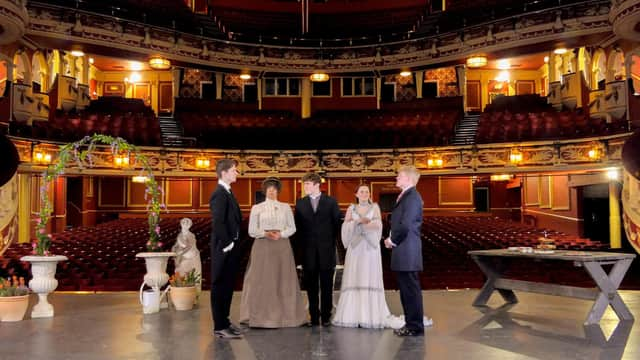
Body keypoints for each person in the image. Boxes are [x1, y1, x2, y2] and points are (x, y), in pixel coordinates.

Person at [333, 184, 404, 329]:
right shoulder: (351, 208)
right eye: (362, 191)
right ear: (356, 194)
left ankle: (370, 315)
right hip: (355, 248)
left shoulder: (375, 207)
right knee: (355, 276)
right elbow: (345, 226)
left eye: (367, 191)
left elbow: (378, 225)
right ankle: (353, 316)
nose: (364, 193)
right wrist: (358, 222)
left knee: (368, 275)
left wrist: (362, 227)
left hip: (370, 248)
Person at [239, 177, 307, 328]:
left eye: (274, 189)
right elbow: (251, 231)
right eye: (269, 188)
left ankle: (286, 317)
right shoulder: (256, 208)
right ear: (265, 191)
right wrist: (265, 233)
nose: (272, 191)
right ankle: (261, 318)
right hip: (262, 246)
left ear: (278, 191)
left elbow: (292, 228)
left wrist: (281, 234)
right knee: (262, 281)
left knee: (283, 280)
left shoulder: (285, 207)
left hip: (282, 246)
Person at [384, 165, 428, 336]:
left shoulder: (412, 197)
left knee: (410, 291)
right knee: (406, 291)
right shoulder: (406, 196)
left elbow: (406, 225)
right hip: (404, 251)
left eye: (399, 176)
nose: (396, 178)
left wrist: (392, 240)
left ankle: (415, 327)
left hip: (407, 250)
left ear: (408, 179)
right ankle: (411, 324)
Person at [294, 172, 341, 327]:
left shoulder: (331, 202)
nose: (304, 187)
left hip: (327, 250)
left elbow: (336, 225)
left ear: (316, 184)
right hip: (308, 252)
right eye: (304, 184)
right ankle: (314, 317)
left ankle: (326, 316)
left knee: (327, 285)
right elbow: (298, 229)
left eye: (307, 184)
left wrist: (328, 242)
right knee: (311, 286)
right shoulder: (300, 203)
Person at [210, 159, 244, 339]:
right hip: (224, 248)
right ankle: (219, 326)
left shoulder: (228, 192)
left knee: (228, 285)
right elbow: (218, 222)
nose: (236, 173)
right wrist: (228, 243)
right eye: (234, 170)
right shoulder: (219, 194)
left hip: (231, 247)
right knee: (220, 286)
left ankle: (225, 321)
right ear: (224, 173)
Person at [172, 217, 202, 294]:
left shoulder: (191, 235)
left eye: (187, 224)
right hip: (183, 257)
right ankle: (181, 293)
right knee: (181, 274)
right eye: (183, 223)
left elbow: (188, 246)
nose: (185, 225)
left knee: (191, 276)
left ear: (189, 226)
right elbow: (176, 245)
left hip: (191, 257)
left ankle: (192, 295)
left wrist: (180, 253)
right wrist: (174, 249)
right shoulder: (180, 235)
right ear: (181, 224)